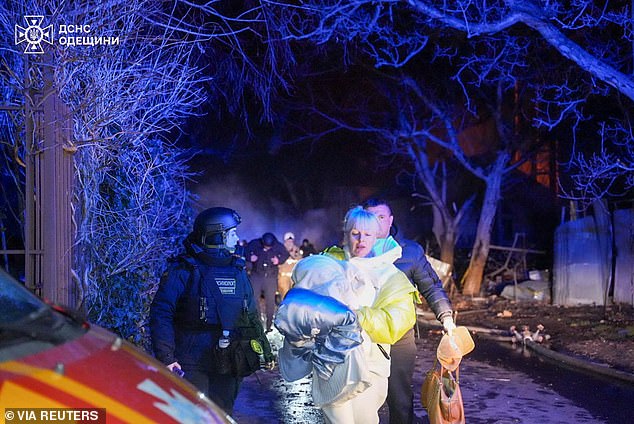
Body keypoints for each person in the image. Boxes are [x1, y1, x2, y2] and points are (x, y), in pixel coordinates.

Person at [277, 206, 418, 423]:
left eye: (368, 234)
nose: (361, 239)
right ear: (346, 234)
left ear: (377, 236)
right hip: (331, 362)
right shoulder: (326, 266)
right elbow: (302, 306)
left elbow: (396, 322)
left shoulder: (390, 276)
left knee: (365, 419)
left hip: (371, 366)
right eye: (355, 233)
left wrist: (355, 316)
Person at [149, 207, 272, 414]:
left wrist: (259, 349)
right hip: (191, 361)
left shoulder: (237, 270)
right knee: (191, 415)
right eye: (232, 234)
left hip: (230, 359)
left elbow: (250, 314)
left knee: (221, 414)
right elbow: (162, 313)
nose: (237, 239)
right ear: (216, 236)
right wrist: (167, 358)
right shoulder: (184, 269)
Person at [364, 198, 455, 424]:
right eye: (370, 217)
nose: (376, 223)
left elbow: (432, 286)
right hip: (363, 335)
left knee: (399, 397)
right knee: (360, 397)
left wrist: (446, 318)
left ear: (390, 220)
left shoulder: (408, 252)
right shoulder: (353, 253)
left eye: (381, 217)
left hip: (399, 337)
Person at [247, 232, 289, 331]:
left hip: (271, 277)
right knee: (254, 299)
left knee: (270, 301)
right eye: (265, 246)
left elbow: (285, 254)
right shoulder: (255, 243)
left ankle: (269, 325)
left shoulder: (278, 245)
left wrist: (278, 260)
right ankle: (257, 322)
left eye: (269, 247)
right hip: (256, 276)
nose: (267, 248)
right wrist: (250, 257)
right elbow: (245, 250)